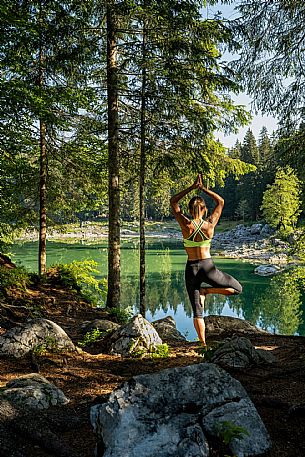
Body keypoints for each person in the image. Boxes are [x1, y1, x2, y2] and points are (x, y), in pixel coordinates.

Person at [170, 174, 242, 345]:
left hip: (191, 268)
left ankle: (203, 345)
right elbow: (221, 202)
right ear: (204, 210)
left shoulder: (185, 224)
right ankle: (207, 292)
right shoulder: (210, 225)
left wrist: (191, 187)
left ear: (189, 209)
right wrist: (203, 189)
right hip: (208, 268)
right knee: (237, 288)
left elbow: (173, 202)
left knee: (197, 311)